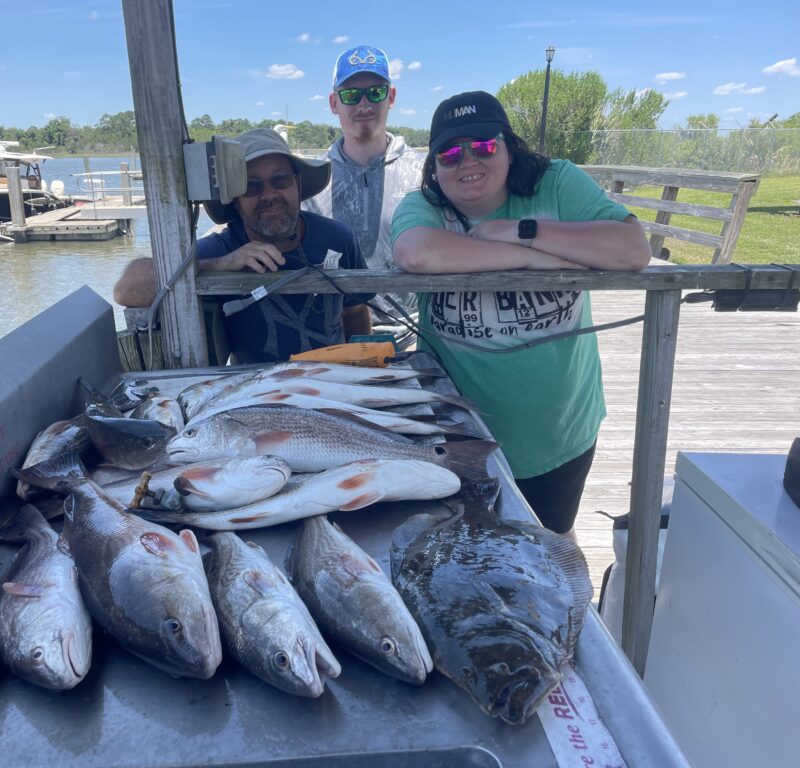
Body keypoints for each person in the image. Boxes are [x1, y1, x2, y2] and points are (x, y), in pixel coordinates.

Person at [390, 91, 650, 536]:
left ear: (510, 147)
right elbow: (414, 252)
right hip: (457, 436)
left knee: (554, 542)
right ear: (434, 167)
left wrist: (519, 231)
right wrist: (530, 259)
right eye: (449, 153)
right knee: (468, 552)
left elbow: (633, 250)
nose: (467, 160)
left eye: (484, 146)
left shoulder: (558, 182)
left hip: (558, 431)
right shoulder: (426, 207)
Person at [113, 128, 371, 364]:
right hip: (253, 389)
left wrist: (359, 366)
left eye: (280, 180)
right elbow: (126, 290)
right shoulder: (224, 248)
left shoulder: (339, 239)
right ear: (235, 201)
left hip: (333, 377)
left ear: (298, 185)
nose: (269, 195)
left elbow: (357, 311)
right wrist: (219, 265)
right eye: (251, 186)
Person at [304, 45, 424, 324]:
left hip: (416, 337)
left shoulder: (423, 174)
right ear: (334, 103)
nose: (364, 104)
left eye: (376, 92)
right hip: (341, 338)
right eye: (350, 95)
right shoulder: (313, 181)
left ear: (391, 97)